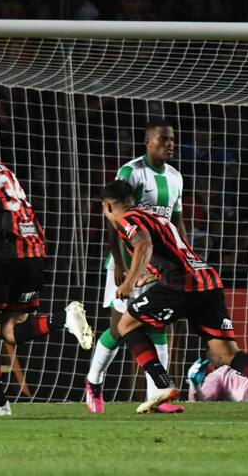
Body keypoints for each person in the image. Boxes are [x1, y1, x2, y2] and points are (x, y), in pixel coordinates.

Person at [100, 179, 248, 422]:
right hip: (208, 282)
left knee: (125, 325)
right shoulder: (154, 216)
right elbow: (176, 251)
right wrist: (151, 274)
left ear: (108, 207)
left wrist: (129, 281)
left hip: (181, 286)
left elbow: (144, 244)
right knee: (226, 353)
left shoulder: (128, 219)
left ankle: (161, 386)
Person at [0, 122, 93, 416]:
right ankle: (64, 317)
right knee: (10, 330)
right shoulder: (0, 168)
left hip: (7, 254)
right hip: (35, 252)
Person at [85, 119, 185, 414]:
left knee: (159, 326)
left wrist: (185, 256)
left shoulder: (176, 177)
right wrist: (118, 263)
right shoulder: (132, 172)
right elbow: (113, 216)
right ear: (148, 142)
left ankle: (157, 396)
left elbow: (177, 223)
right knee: (119, 329)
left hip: (160, 267)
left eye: (173, 140)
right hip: (129, 265)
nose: (170, 144)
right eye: (164, 139)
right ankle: (94, 380)